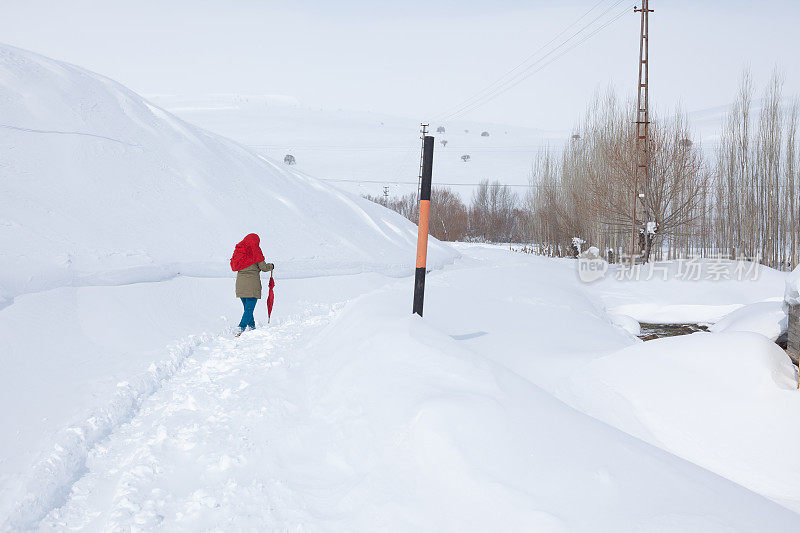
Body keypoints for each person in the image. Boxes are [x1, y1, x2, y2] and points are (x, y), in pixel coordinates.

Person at [230, 233, 274, 336]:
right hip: (252, 284)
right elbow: (263, 268)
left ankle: (252, 328)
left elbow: (233, 266)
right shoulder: (256, 251)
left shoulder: (239, 250)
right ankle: (240, 329)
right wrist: (271, 266)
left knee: (247, 309)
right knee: (249, 309)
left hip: (240, 284)